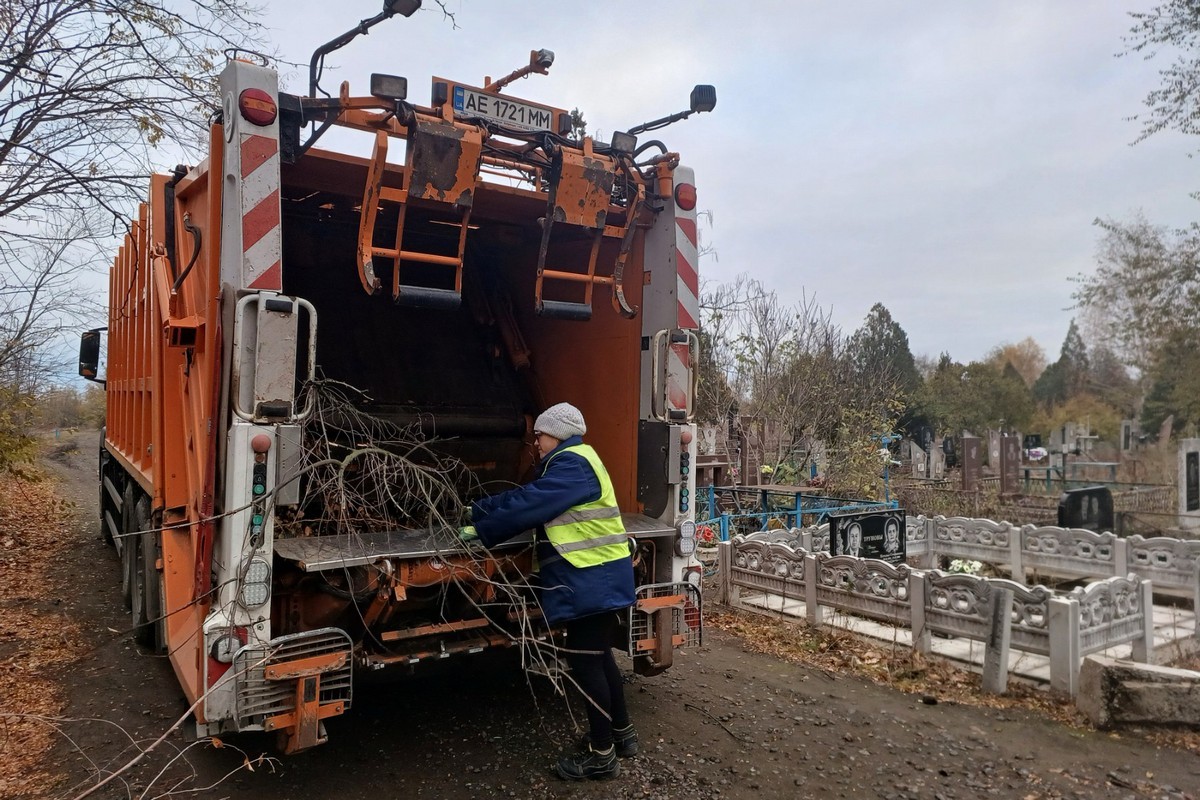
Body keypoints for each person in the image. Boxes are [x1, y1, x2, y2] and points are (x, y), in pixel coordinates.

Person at [458, 402, 637, 780]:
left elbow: (531, 505)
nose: (535, 442)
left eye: (539, 435)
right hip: (598, 578)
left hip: (592, 580)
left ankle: (601, 756)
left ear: (555, 434)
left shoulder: (573, 464)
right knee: (601, 658)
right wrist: (479, 509)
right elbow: (528, 495)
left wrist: (485, 532)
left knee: (587, 663)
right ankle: (622, 735)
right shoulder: (573, 462)